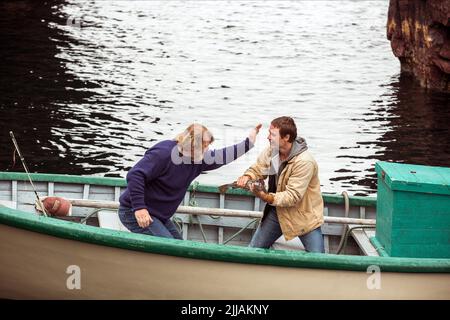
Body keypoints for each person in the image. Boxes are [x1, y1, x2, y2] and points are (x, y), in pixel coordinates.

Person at [119, 123, 262, 239]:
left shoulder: (199, 159)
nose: (207, 150)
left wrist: (248, 143)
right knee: (169, 249)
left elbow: (222, 156)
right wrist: (139, 208)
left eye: (208, 146)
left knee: (181, 247)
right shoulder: (164, 153)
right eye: (204, 146)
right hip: (134, 212)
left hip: (158, 215)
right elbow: (135, 175)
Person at [237, 116, 325, 253]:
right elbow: (259, 169)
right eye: (269, 134)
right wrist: (248, 176)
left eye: (272, 135)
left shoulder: (304, 161)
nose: (268, 138)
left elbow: (293, 196)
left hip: (304, 217)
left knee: (319, 260)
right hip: (276, 212)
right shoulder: (273, 151)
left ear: (286, 137)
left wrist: (266, 197)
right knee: (253, 252)